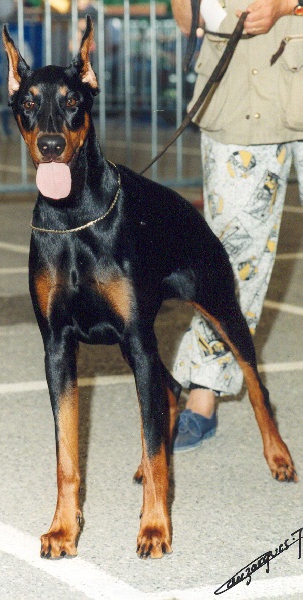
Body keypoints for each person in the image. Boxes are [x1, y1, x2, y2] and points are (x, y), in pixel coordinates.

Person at [170, 0, 303, 451]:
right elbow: (188, 20)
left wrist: (287, 4)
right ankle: (203, 392)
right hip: (236, 105)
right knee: (227, 261)